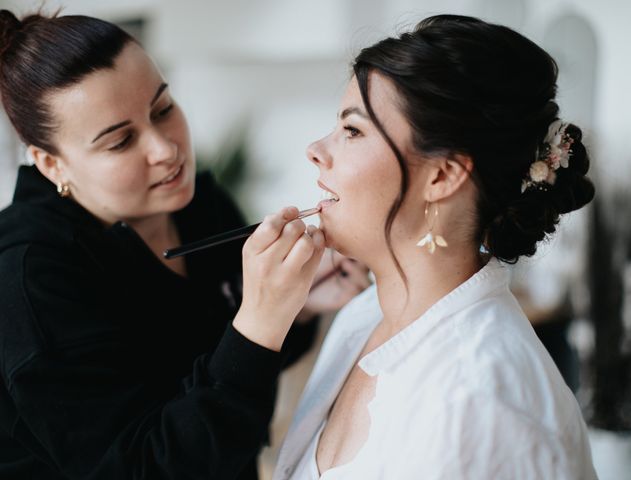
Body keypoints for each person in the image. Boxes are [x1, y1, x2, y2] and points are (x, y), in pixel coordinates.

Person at [0, 10, 369, 480]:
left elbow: (227, 368)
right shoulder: (30, 280)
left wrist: (294, 310)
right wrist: (259, 319)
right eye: (120, 141)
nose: (166, 149)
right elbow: (146, 467)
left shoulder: (199, 205)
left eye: (162, 109)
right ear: (51, 164)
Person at [274, 15, 597, 479]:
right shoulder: (362, 316)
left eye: (352, 131)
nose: (314, 149)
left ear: (442, 176)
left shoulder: (485, 404)